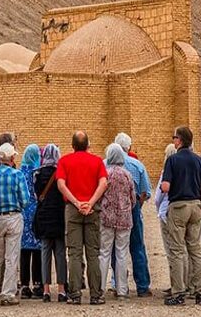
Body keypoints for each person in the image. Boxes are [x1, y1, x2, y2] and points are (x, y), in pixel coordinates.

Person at [56, 131, 109, 305]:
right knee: (93, 253)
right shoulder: (97, 162)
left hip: (72, 210)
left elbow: (61, 184)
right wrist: (91, 202)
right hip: (93, 211)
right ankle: (95, 294)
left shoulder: (64, 161)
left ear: (72, 146)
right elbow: (103, 183)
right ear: (88, 145)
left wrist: (77, 203)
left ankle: (75, 294)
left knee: (74, 254)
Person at [160, 126, 201, 306]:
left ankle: (179, 292)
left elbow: (165, 186)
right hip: (196, 205)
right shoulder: (198, 160)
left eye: (174, 137)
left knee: (177, 250)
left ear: (179, 140)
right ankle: (199, 292)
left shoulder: (172, 160)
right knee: (195, 249)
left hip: (179, 205)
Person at [0, 143, 29, 306]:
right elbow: (25, 200)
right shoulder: (17, 175)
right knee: (11, 257)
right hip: (13, 217)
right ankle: (7, 293)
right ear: (11, 157)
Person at [113, 133, 153, 297]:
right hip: (133, 207)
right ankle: (142, 286)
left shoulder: (105, 165)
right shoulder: (137, 165)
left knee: (115, 248)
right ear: (128, 147)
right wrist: (138, 205)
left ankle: (119, 286)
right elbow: (146, 191)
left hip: (113, 210)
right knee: (137, 247)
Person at [98, 144, 136, 299]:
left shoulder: (105, 174)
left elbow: (99, 196)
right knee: (121, 253)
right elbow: (133, 198)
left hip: (106, 218)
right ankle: (122, 289)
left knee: (104, 253)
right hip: (124, 219)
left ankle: (99, 289)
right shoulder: (127, 175)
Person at [33, 144, 68, 303]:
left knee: (45, 253)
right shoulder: (61, 172)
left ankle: (46, 289)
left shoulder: (38, 174)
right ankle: (61, 289)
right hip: (59, 215)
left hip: (44, 216)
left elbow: (36, 195)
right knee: (60, 253)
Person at [154, 143, 186, 297]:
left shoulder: (168, 170)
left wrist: (159, 210)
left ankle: (177, 286)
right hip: (188, 210)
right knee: (185, 249)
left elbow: (158, 197)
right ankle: (186, 283)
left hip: (168, 213)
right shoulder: (188, 167)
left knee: (173, 251)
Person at [18, 145, 43, 299]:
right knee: (38, 250)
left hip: (23, 214)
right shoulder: (38, 173)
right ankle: (38, 283)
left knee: (24, 251)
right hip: (37, 214)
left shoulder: (20, 172)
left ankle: (25, 285)